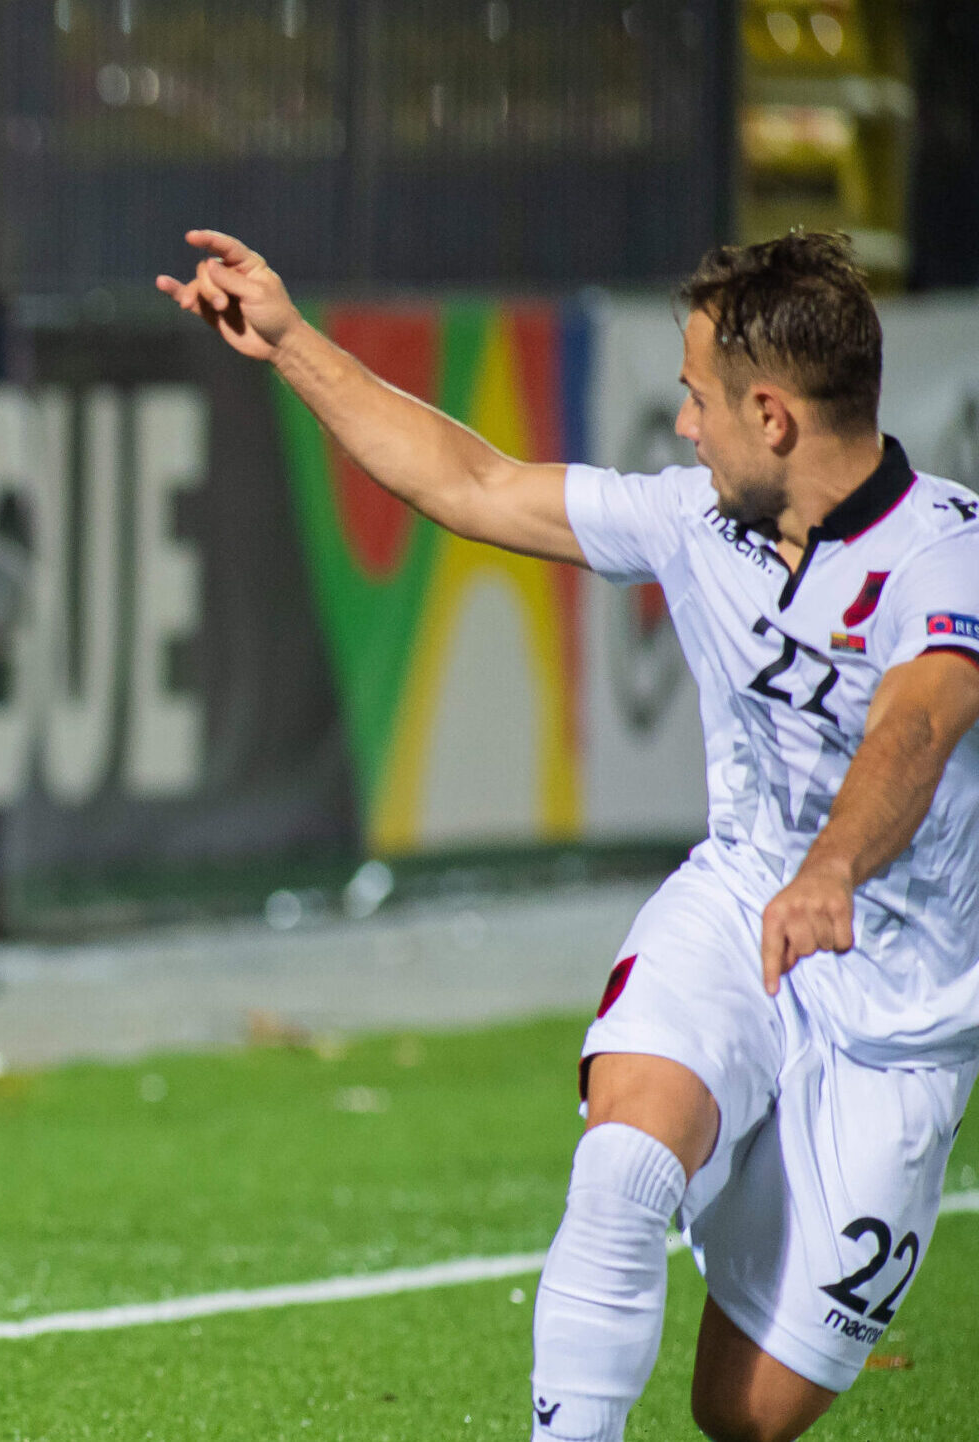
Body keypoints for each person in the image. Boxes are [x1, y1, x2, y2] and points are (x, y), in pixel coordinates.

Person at [161, 229, 979, 1441]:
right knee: (621, 1168)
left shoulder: (948, 550)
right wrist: (289, 343)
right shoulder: (695, 521)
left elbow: (922, 712)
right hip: (740, 911)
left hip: (903, 1013)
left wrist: (834, 869)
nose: (683, 427)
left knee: (745, 1411)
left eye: (698, 400)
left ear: (771, 415)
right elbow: (472, 482)